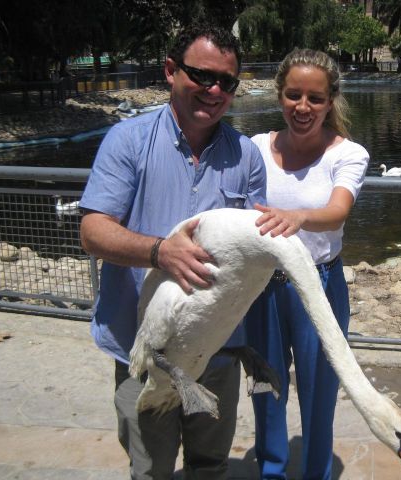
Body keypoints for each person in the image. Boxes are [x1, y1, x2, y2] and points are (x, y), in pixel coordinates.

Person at [79, 23, 266, 480]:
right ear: (170, 70)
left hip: (216, 350)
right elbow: (93, 231)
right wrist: (160, 252)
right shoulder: (128, 141)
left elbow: (255, 242)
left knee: (210, 465)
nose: (214, 90)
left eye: (227, 82)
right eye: (202, 76)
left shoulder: (247, 157)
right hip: (141, 348)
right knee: (151, 469)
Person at [244, 48, 370, 480]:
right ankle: (272, 471)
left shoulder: (348, 153)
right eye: (293, 95)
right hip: (262, 285)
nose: (303, 107)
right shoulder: (255, 148)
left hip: (319, 283)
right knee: (266, 386)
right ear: (279, 95)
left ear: (330, 100)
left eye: (315, 98)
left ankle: (316, 473)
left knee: (319, 392)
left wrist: (299, 218)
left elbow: (338, 211)